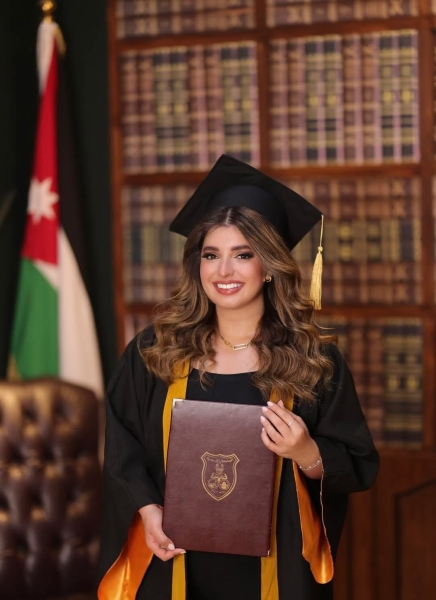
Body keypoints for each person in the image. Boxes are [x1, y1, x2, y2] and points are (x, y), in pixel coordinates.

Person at [98, 155, 379, 600]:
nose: (223, 271)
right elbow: (122, 447)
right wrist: (148, 511)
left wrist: (306, 451)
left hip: (273, 571)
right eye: (211, 255)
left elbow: (358, 464)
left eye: (243, 255)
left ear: (269, 266)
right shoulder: (155, 351)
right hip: (174, 562)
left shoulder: (313, 359)